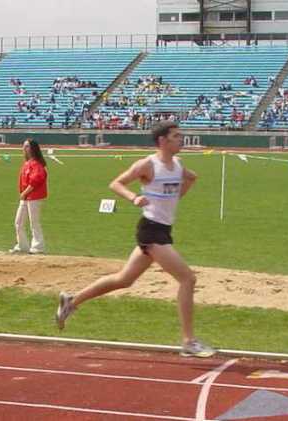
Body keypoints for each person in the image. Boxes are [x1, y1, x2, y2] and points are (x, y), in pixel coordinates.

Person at [54, 121, 215, 358]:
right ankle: (189, 341)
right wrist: (133, 198)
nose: (182, 139)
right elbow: (116, 183)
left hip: (163, 229)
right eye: (176, 136)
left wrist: (176, 195)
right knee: (187, 279)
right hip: (151, 231)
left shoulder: (178, 165)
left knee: (123, 279)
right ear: (162, 141)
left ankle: (72, 301)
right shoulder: (148, 164)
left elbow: (191, 177)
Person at [10, 139, 48, 254]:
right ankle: (22, 245)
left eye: (26, 146)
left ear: (32, 149)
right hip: (26, 197)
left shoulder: (36, 164)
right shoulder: (27, 163)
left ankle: (38, 247)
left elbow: (36, 180)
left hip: (34, 197)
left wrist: (25, 192)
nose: (23, 148)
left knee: (34, 222)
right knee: (18, 222)